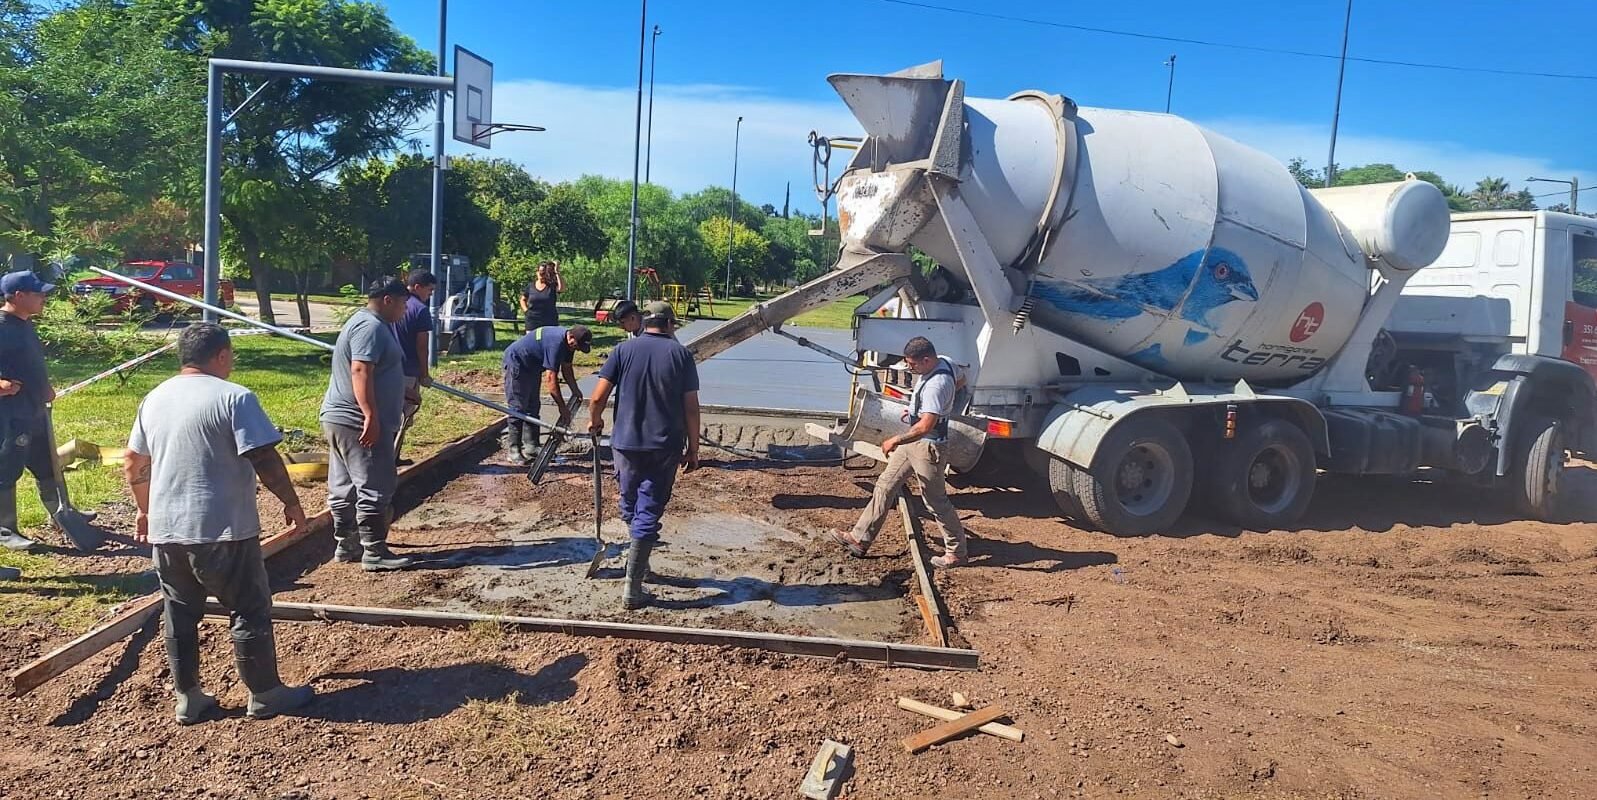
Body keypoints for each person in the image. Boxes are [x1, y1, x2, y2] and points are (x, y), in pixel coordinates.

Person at [125, 323, 314, 723]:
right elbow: (263, 456)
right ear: (222, 355)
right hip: (222, 529)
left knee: (179, 613)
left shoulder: (154, 398)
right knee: (248, 607)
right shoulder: (234, 397)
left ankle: (188, 697)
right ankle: (265, 694)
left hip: (167, 530)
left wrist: (144, 510)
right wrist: (292, 503)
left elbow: (133, 462)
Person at [588, 303, 701, 610]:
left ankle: (640, 562)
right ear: (670, 325)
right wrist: (693, 448)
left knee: (630, 504)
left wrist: (595, 422)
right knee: (648, 510)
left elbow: (597, 397)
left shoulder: (622, 351)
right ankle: (633, 588)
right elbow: (691, 408)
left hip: (625, 444)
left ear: (644, 322)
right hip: (664, 446)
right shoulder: (681, 355)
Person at [831, 336, 968, 568]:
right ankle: (859, 538)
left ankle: (957, 552)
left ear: (926, 360)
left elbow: (925, 427)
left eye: (912, 364)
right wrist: (946, 398)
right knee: (885, 485)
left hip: (928, 447)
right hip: (913, 442)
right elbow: (962, 379)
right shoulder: (946, 361)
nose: (910, 368)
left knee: (935, 501)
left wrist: (895, 439)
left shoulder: (937, 386)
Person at [322, 278, 412, 572]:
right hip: (357, 421)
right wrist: (370, 416)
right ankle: (374, 551)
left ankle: (347, 545)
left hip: (342, 419)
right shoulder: (370, 327)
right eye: (403, 303)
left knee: (344, 486)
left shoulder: (367, 323)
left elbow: (375, 369)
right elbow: (360, 369)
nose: (405, 309)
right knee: (375, 485)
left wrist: (402, 390)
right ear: (387, 300)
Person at [0, 271, 76, 557]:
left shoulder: (25, 323)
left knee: (47, 464)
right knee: (7, 469)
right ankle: (6, 529)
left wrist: (44, 387)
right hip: (10, 415)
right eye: (38, 293)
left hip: (34, 411)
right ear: (19, 296)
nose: (44, 297)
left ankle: (62, 513)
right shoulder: (2, 327)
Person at [502, 324, 591, 464]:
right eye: (576, 346)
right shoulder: (556, 343)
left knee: (533, 406)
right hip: (517, 362)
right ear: (571, 337)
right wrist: (562, 407)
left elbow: (567, 369)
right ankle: (514, 450)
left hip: (533, 367)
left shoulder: (570, 344)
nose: (576, 349)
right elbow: (551, 380)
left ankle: (532, 446)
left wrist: (576, 390)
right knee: (518, 407)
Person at [389, 269, 437, 467]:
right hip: (408, 372)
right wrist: (424, 375)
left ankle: (391, 458)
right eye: (429, 290)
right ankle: (391, 459)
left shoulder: (394, 305)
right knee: (402, 417)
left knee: (390, 414)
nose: (431, 294)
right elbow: (422, 346)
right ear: (417, 287)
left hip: (389, 370)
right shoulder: (420, 310)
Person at [520, 261, 565, 333]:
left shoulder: (551, 285)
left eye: (545, 273)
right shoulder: (530, 286)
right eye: (541, 272)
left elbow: (562, 289)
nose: (542, 275)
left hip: (550, 321)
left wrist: (557, 272)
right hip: (532, 322)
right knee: (531, 340)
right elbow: (523, 299)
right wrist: (526, 311)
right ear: (537, 272)